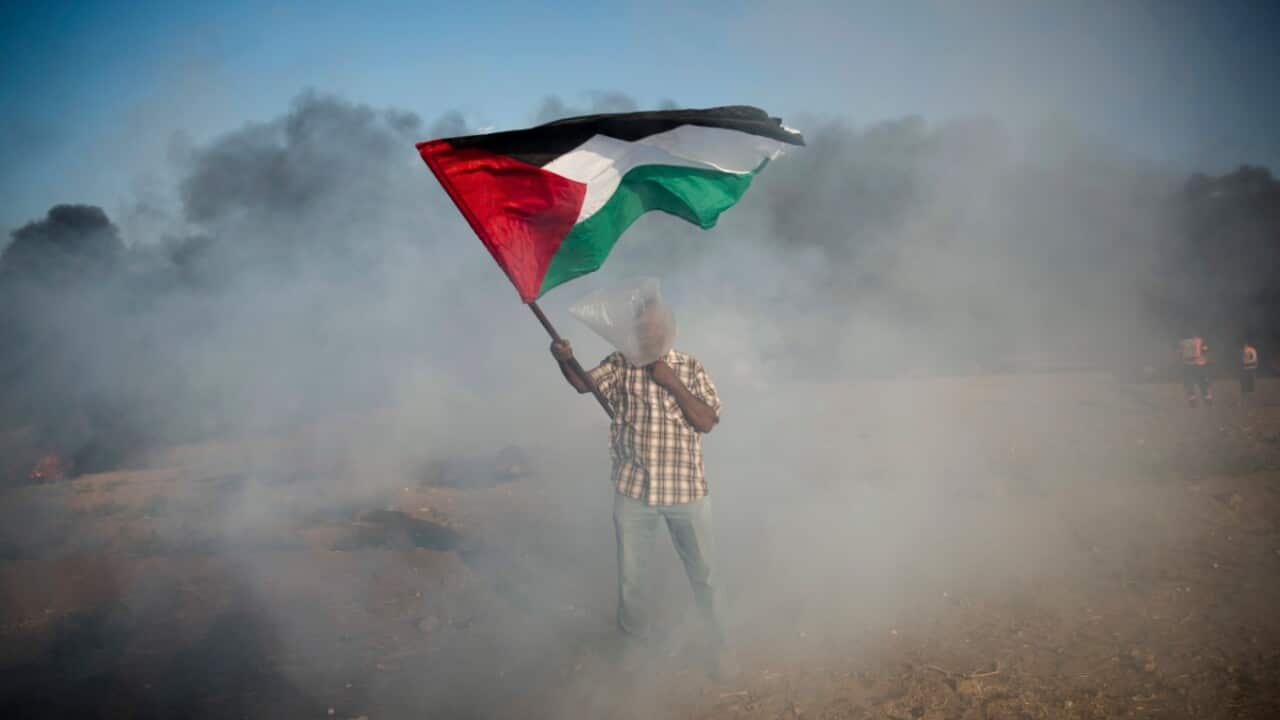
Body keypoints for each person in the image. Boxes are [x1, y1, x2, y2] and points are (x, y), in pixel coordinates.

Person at [549, 298, 731, 677]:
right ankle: (634, 652)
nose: (650, 333)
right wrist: (565, 359)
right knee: (633, 580)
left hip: (686, 492)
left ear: (669, 328)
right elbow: (585, 385)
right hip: (634, 491)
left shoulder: (690, 366)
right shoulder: (620, 362)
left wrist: (672, 381)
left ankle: (719, 647)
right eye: (643, 328)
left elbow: (707, 421)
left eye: (656, 326)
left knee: (705, 574)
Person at [1178, 335, 1213, 407]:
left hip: (1195, 364)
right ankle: (1199, 398)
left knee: (1198, 381)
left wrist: (1204, 357)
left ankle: (1203, 398)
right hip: (1193, 364)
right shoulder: (1187, 341)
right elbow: (1205, 350)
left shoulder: (1185, 341)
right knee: (1193, 381)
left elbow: (1205, 350)